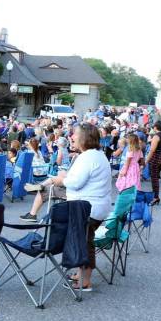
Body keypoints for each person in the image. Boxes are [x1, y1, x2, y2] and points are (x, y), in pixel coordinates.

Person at [48, 123, 112, 292]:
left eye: (75, 134)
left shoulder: (88, 157)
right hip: (95, 206)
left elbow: (75, 183)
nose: (72, 137)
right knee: (85, 240)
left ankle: (85, 281)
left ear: (84, 137)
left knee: (84, 242)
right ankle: (80, 274)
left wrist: (60, 179)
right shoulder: (96, 155)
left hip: (87, 208)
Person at [145, 121, 161, 206]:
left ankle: (155, 197)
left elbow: (152, 150)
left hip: (156, 158)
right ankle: (155, 195)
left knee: (154, 178)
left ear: (155, 127)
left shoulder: (156, 136)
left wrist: (146, 161)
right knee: (155, 177)